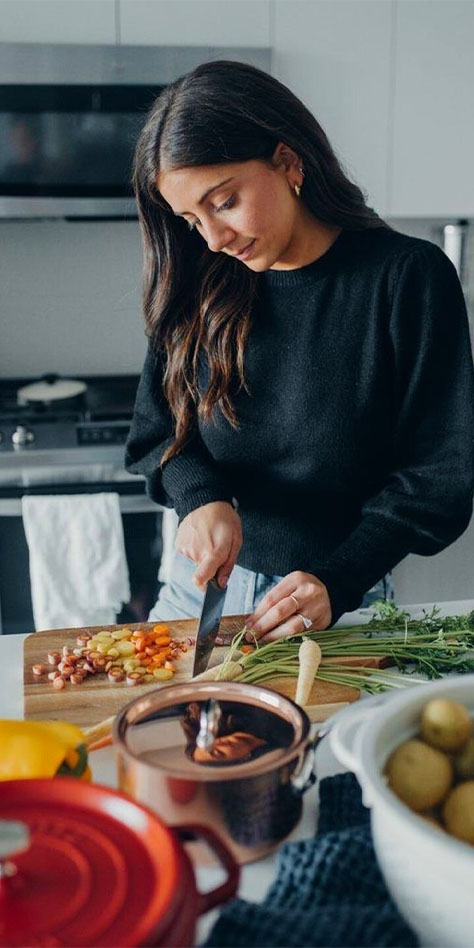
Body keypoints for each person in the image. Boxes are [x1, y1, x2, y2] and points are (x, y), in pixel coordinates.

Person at [125, 60, 474, 644]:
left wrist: (338, 581)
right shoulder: (201, 278)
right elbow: (157, 434)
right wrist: (200, 497)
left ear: (288, 162)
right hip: (195, 589)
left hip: (328, 604)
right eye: (190, 220)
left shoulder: (405, 277)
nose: (213, 239)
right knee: (163, 735)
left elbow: (439, 475)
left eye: (225, 202)